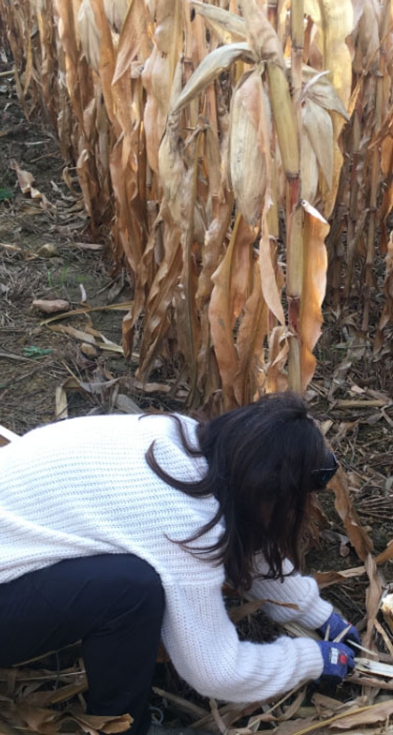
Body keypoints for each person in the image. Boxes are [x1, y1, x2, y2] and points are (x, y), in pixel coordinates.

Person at [0, 393, 360, 734]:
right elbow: (216, 671)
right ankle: (127, 727)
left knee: (125, 581)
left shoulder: (181, 437)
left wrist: (317, 614)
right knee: (132, 591)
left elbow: (246, 530)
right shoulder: (183, 523)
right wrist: (311, 659)